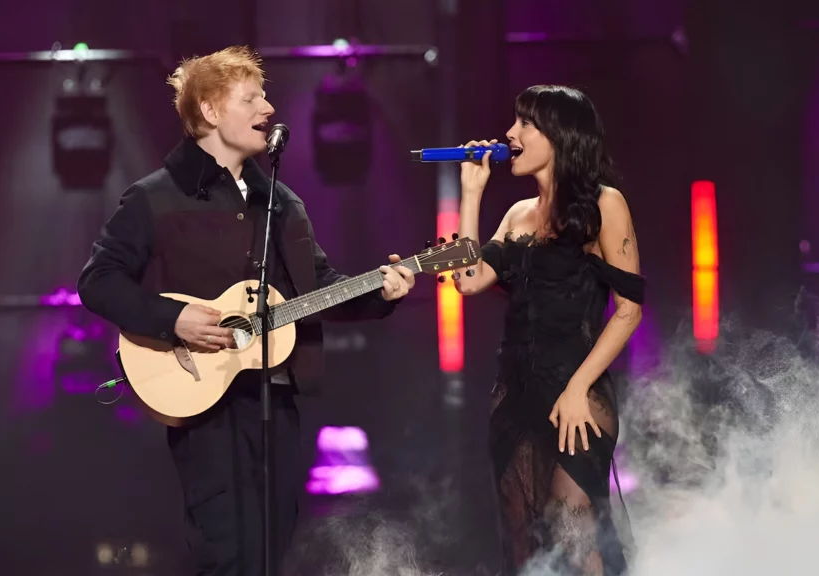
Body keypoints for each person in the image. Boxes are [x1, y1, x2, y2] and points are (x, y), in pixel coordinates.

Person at [76, 45, 415, 576]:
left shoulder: (283, 202)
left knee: (271, 551)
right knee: (226, 553)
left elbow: (318, 286)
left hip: (276, 399)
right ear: (210, 111)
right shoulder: (154, 198)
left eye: (266, 97)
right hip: (205, 406)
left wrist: (381, 293)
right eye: (252, 98)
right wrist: (174, 319)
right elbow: (99, 281)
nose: (269, 110)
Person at [452, 85, 644, 575]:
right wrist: (472, 192)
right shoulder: (517, 214)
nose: (509, 134)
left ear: (559, 135)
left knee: (574, 540)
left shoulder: (605, 204)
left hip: (576, 394)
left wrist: (579, 388)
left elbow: (629, 311)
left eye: (524, 124)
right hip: (514, 395)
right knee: (525, 547)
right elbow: (469, 279)